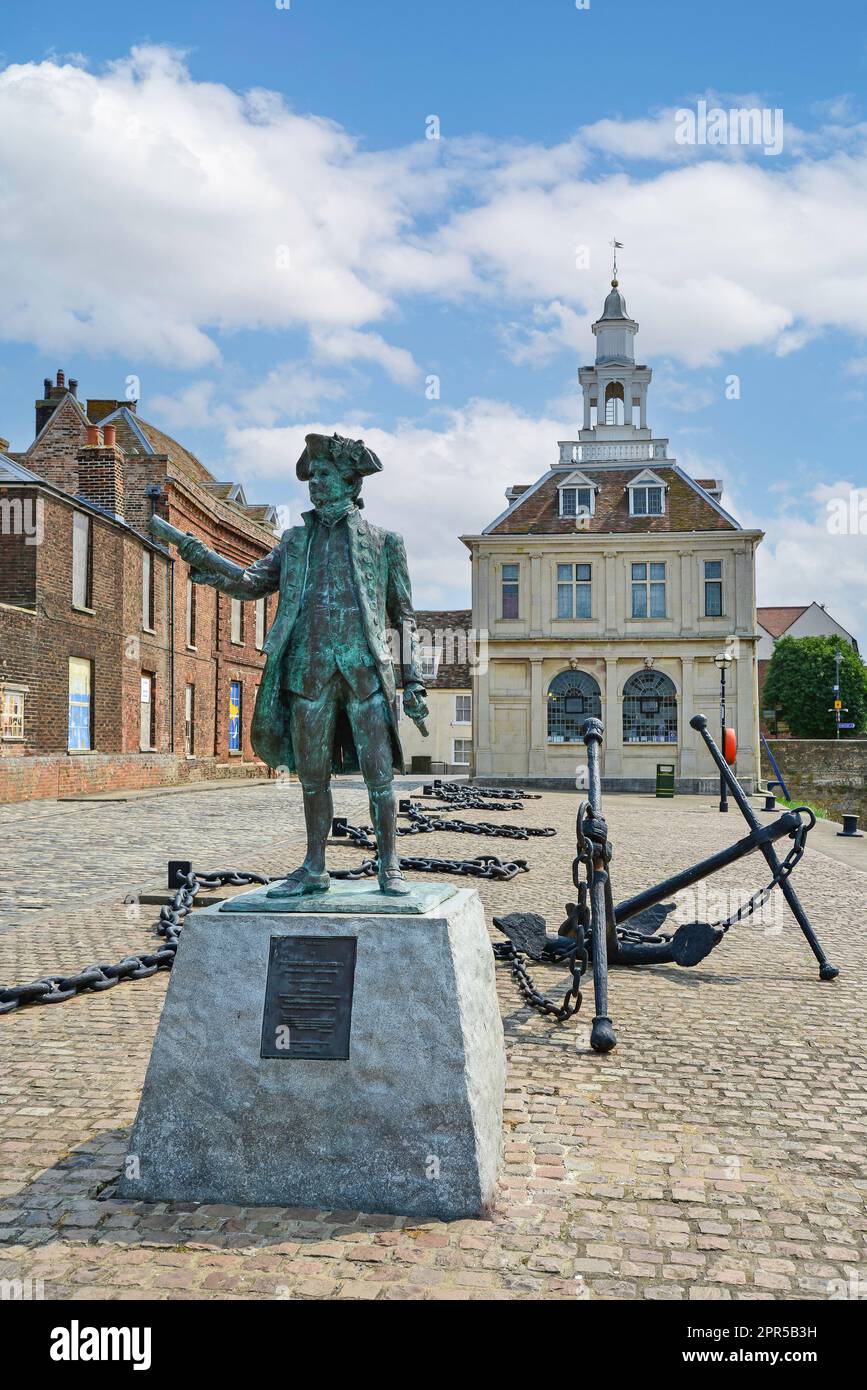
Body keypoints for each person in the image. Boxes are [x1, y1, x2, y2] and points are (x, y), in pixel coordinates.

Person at [175, 431, 429, 897]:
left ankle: (389, 864)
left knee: (380, 778)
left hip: (366, 674)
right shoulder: (293, 541)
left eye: (324, 474)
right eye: (311, 476)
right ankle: (314, 865)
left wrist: (412, 679)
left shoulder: (385, 542)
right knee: (312, 779)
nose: (314, 483)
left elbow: (403, 615)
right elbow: (252, 582)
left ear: (351, 481)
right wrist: (206, 560)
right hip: (306, 673)